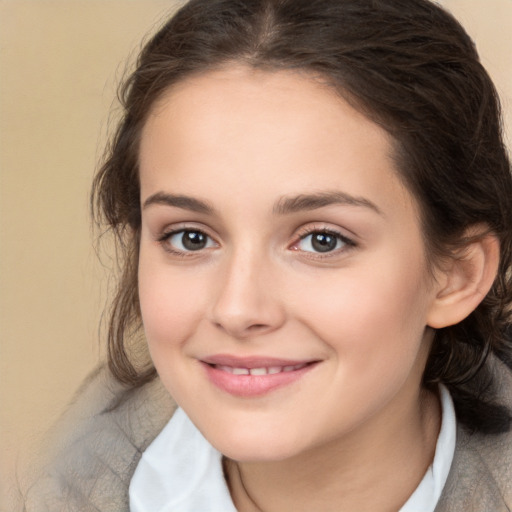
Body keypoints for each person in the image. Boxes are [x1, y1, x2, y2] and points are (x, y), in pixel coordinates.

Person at [20, 0, 512, 510]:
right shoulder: (63, 486)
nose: (237, 309)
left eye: (323, 240)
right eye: (191, 237)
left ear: (456, 275)